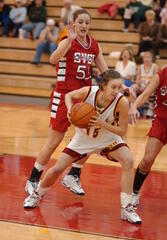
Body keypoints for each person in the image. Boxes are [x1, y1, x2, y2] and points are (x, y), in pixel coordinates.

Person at [24, 69, 142, 224]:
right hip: (83, 138)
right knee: (58, 168)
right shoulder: (89, 92)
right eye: (113, 87)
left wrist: (102, 123)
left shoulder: (122, 102)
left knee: (128, 160)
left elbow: (122, 131)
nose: (117, 91)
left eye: (119, 87)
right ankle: (37, 195)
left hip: (107, 137)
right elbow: (69, 96)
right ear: (103, 86)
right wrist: (69, 109)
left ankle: (127, 208)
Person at [25, 9, 108, 196]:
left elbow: (104, 70)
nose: (84, 26)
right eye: (81, 22)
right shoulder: (66, 40)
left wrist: (119, 84)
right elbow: (53, 59)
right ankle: (33, 178)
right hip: (64, 95)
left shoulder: (94, 44)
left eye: (87, 22)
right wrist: (69, 41)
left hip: (85, 97)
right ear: (74, 23)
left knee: (91, 137)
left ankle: (73, 174)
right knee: (54, 141)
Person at [129, 66, 167, 207]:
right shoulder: (161, 75)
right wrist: (133, 107)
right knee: (147, 160)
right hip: (162, 122)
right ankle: (134, 192)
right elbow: (145, 95)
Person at [129, 51, 158, 117]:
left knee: (152, 89)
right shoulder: (140, 67)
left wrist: (148, 85)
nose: (147, 59)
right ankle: (133, 107)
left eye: (148, 57)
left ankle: (150, 109)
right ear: (143, 59)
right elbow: (137, 80)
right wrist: (140, 83)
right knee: (133, 87)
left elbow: (155, 80)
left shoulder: (154, 67)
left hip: (150, 86)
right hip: (141, 86)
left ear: (152, 58)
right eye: (145, 57)